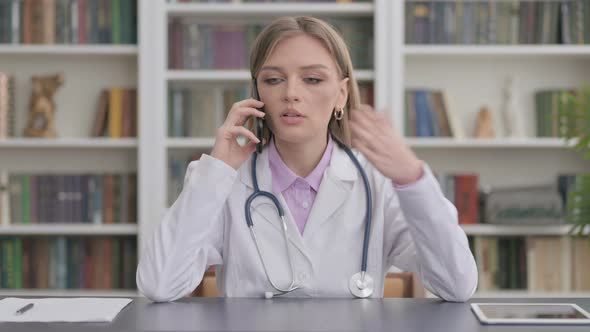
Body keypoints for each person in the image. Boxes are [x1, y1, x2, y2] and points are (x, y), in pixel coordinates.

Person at [137, 16, 477, 302]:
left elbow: (456, 285)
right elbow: (160, 284)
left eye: (312, 79)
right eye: (273, 80)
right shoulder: (226, 180)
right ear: (258, 95)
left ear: (341, 94)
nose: (291, 94)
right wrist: (216, 170)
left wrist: (412, 179)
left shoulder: (379, 181)